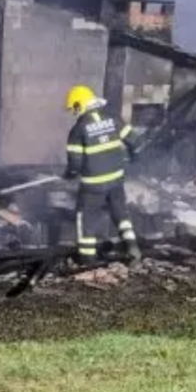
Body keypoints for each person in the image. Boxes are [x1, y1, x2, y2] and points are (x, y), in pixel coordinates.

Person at [63, 85, 142, 263]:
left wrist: (70, 173)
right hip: (116, 179)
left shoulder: (78, 130)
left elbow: (75, 163)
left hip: (93, 185)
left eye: (73, 108)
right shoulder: (113, 118)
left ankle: (87, 257)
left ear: (79, 105)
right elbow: (135, 141)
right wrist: (133, 157)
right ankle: (132, 247)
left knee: (86, 218)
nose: (73, 113)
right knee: (121, 213)